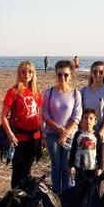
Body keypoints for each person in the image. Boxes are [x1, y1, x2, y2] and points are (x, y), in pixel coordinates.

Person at [1, 61, 43, 188]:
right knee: (18, 172)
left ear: (33, 74)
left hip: (34, 138)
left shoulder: (36, 92)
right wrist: (9, 134)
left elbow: (39, 116)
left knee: (28, 172)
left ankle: (25, 201)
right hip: (18, 140)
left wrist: (43, 136)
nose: (27, 74)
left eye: (30, 71)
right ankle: (16, 201)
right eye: (23, 71)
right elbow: (4, 116)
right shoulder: (13, 92)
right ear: (19, 73)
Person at [42, 60, 82, 193]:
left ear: (70, 75)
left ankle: (66, 194)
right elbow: (46, 115)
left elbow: (77, 116)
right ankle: (56, 193)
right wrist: (58, 130)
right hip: (52, 134)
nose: (62, 78)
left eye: (65, 74)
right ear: (56, 74)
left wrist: (65, 133)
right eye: (59, 74)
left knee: (67, 166)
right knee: (56, 165)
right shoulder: (49, 92)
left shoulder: (76, 94)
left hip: (70, 135)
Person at [80, 61, 104, 169]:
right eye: (95, 72)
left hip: (101, 133)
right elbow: (80, 112)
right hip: (86, 132)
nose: (97, 74)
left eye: (100, 72)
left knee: (99, 166)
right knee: (86, 164)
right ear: (91, 73)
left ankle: (97, 187)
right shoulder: (84, 91)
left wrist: (101, 132)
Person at [69, 108, 103, 186]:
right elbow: (73, 151)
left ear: (95, 121)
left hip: (92, 168)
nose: (88, 120)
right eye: (85, 118)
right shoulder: (78, 135)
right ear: (81, 121)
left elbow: (100, 153)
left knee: (91, 189)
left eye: (91, 118)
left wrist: (100, 167)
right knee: (79, 189)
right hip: (79, 168)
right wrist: (71, 166)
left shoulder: (96, 136)